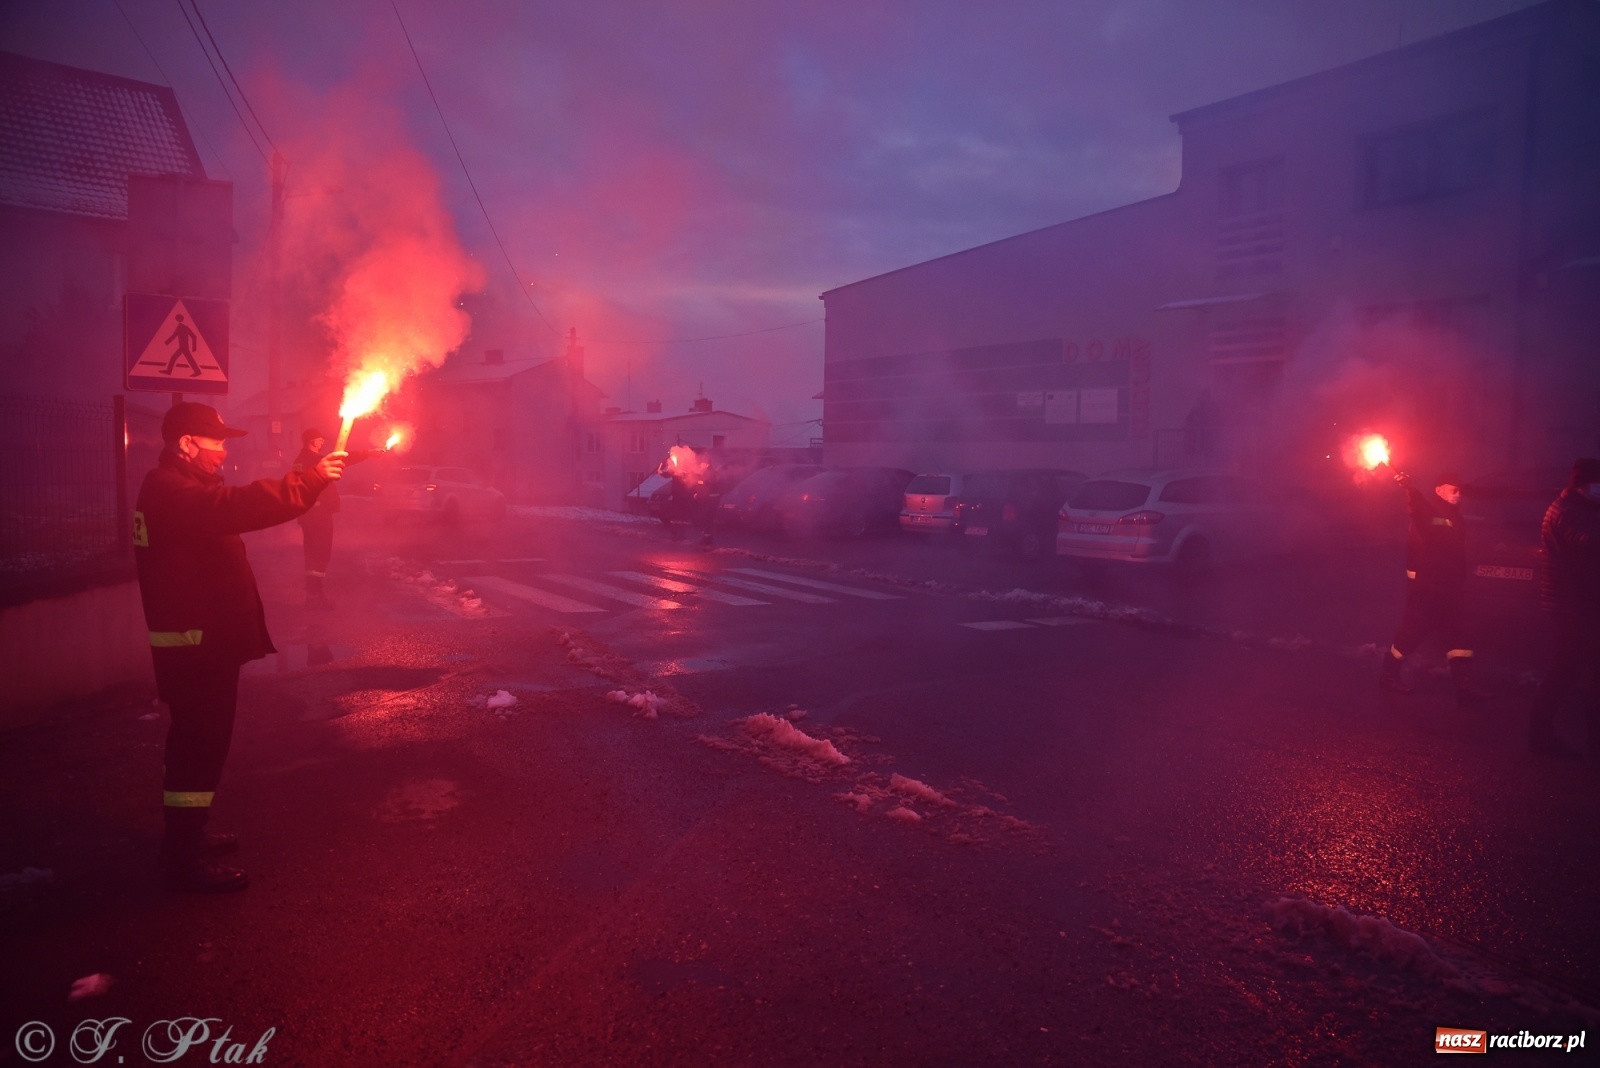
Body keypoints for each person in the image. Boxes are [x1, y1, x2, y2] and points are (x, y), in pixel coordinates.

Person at [133, 402, 345, 892]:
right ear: (186, 443)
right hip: (196, 648)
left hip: (201, 643)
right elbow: (236, 507)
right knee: (197, 747)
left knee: (201, 746)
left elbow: (226, 504)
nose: (222, 451)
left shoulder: (174, 487)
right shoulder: (171, 492)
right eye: (216, 441)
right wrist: (306, 482)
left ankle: (190, 834)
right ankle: (181, 860)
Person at [1379, 470, 1486, 704]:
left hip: (1450, 589)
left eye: (1461, 491)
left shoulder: (1456, 517)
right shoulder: (1430, 511)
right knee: (1411, 633)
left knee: (1458, 636)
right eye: (1453, 490)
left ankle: (1464, 688)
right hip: (1428, 588)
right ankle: (1388, 675)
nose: (1459, 495)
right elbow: (1418, 508)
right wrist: (1409, 487)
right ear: (1439, 490)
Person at [1527, 457, 1600, 760]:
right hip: (1570, 604)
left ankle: (1591, 742)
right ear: (1584, 484)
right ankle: (1540, 737)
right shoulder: (1565, 511)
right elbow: (1587, 542)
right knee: (1563, 673)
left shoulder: (1580, 507)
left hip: (1581, 602)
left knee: (1583, 673)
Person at [292, 429, 379, 607]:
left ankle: (314, 595)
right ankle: (315, 596)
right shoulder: (307, 461)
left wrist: (368, 453)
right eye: (320, 440)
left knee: (316, 554)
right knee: (319, 553)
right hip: (317, 516)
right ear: (313, 442)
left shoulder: (308, 460)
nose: (322, 443)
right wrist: (367, 453)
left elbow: (344, 459)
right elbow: (297, 485)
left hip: (315, 515)